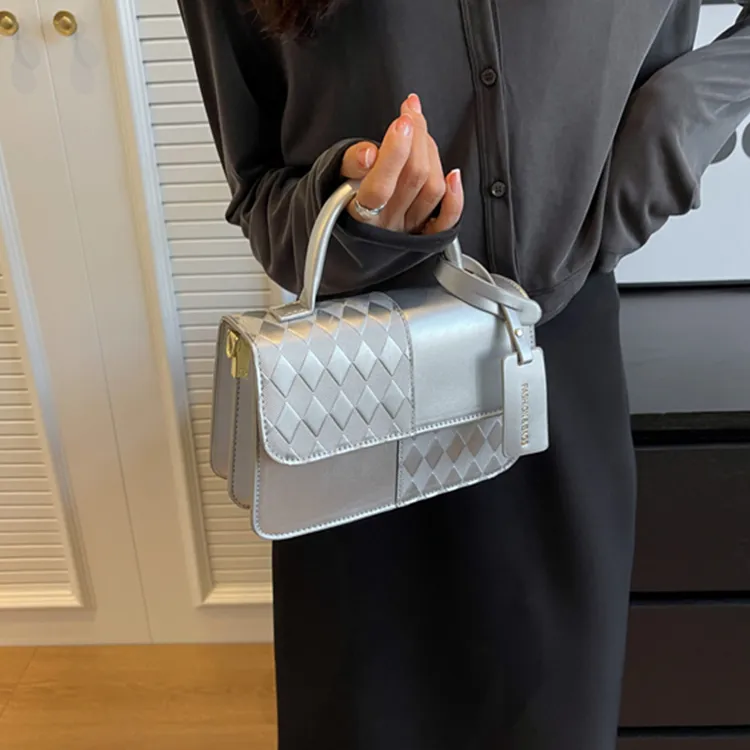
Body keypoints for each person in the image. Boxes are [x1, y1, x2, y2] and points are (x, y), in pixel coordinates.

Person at [177, 1, 750, 748]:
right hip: (358, 403)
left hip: (553, 375)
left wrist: (675, 121)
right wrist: (352, 212)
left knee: (554, 721)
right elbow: (259, 191)